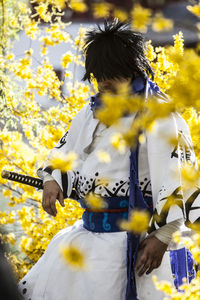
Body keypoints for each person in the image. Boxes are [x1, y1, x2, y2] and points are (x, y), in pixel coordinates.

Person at [18, 20, 199, 300]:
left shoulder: (160, 114)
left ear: (131, 70)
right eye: (99, 77)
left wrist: (162, 237)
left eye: (112, 76)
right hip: (89, 237)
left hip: (139, 244)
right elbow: (66, 151)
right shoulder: (92, 111)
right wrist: (53, 178)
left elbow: (179, 174)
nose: (104, 84)